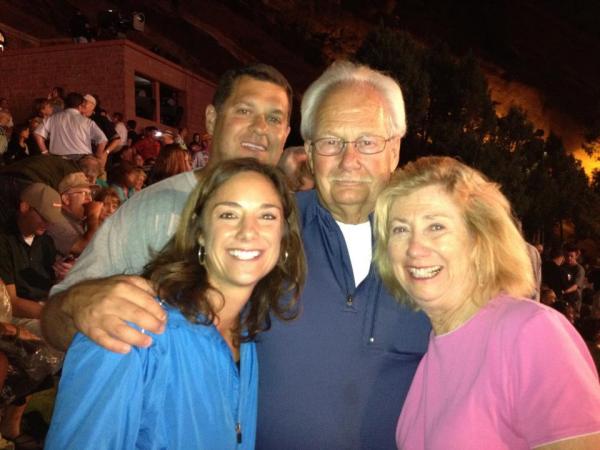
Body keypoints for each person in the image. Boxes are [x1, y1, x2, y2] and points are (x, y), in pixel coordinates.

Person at [43, 61, 425, 448]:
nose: (349, 159)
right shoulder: (163, 265)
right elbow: (71, 330)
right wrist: (78, 301)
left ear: (394, 148)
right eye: (331, 141)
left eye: (367, 141)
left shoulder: (436, 250)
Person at [45, 158, 305, 449]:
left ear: (283, 238)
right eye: (229, 214)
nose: (249, 231)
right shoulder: (131, 330)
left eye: (267, 216)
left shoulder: (253, 336)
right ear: (200, 232)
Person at [42, 62, 293, 351]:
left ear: (285, 134)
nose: (260, 128)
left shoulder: (294, 218)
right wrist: (77, 303)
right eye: (244, 111)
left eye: (274, 119)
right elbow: (54, 320)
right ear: (211, 119)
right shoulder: (151, 208)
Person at [373, 156, 600, 449]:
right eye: (400, 229)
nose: (415, 248)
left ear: (479, 239)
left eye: (436, 227)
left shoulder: (532, 332)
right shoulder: (433, 349)